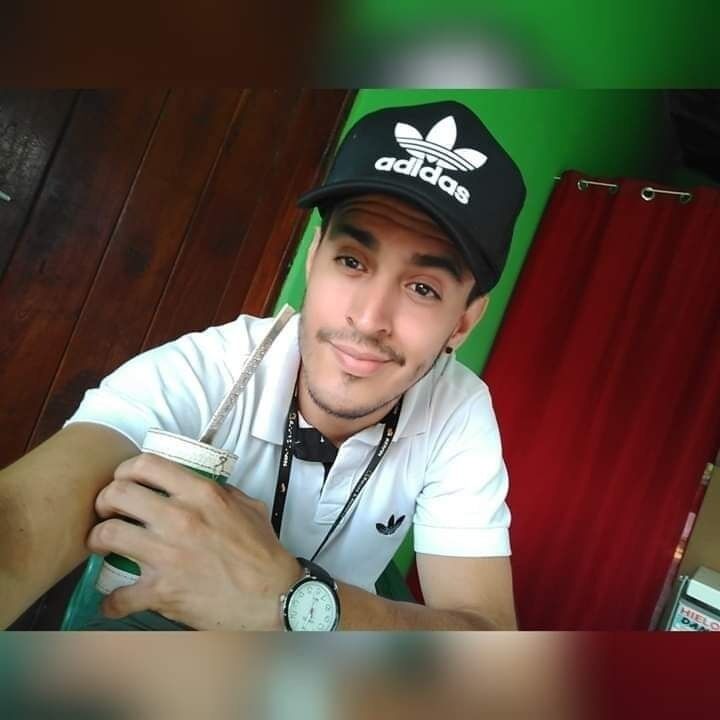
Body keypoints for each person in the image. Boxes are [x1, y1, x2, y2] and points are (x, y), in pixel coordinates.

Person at [0, 100, 526, 630]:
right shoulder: (205, 372)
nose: (369, 320)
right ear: (314, 258)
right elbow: (21, 518)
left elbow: (489, 636)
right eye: (351, 261)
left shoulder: (457, 409)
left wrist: (290, 598)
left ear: (462, 323)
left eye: (422, 288)